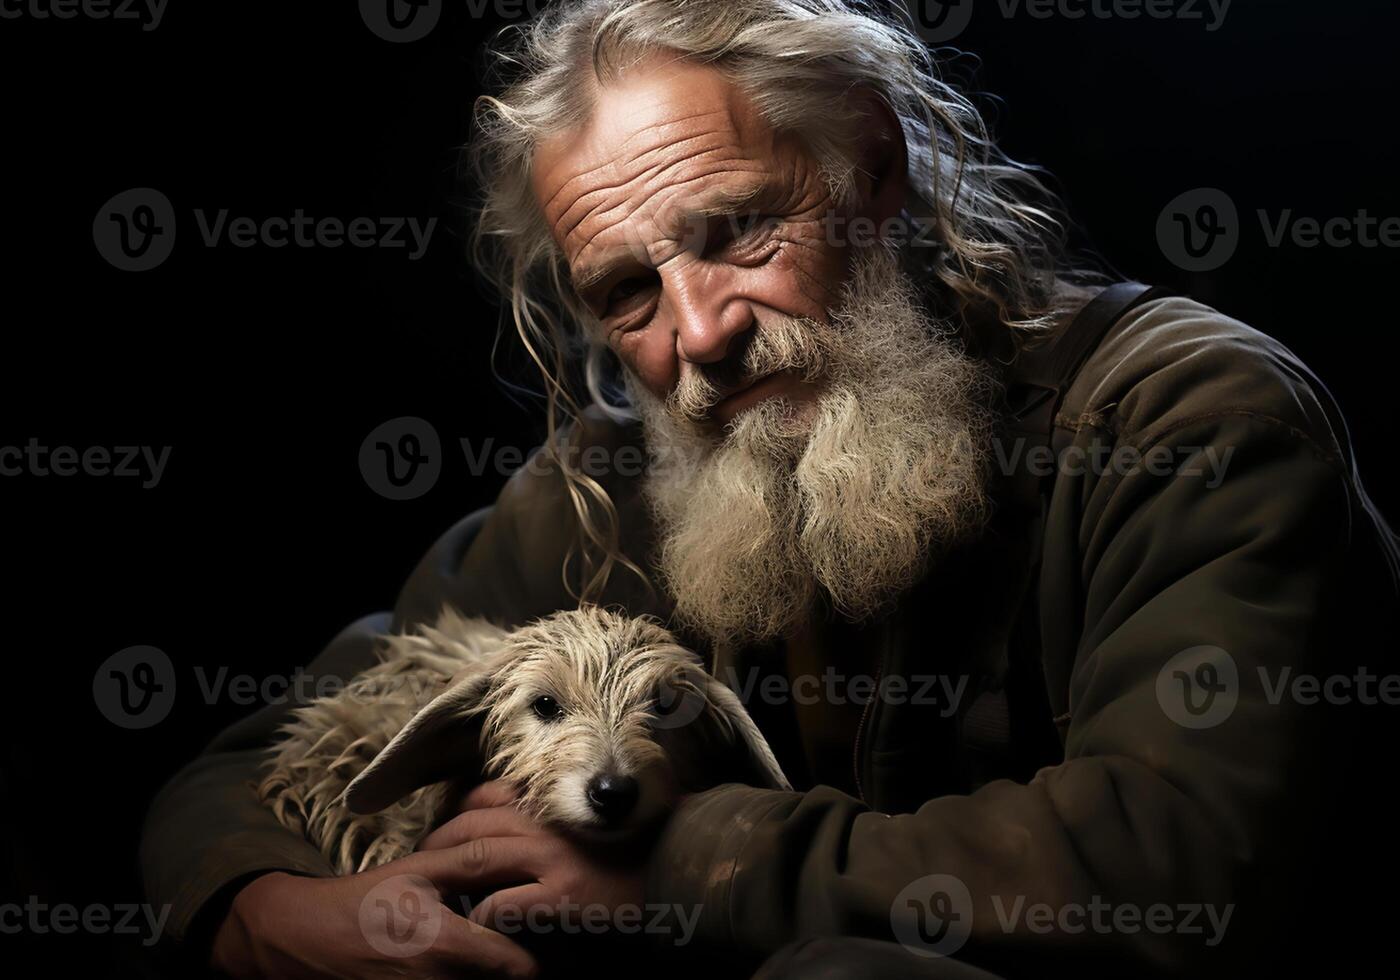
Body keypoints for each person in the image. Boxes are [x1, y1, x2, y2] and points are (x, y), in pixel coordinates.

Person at [140, 2, 1399, 977]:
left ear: (872, 167)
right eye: (626, 292)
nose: (696, 333)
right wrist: (263, 908)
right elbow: (247, 763)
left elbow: (1175, 863)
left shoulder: (1191, 421)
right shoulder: (608, 488)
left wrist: (677, 861)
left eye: (739, 230)